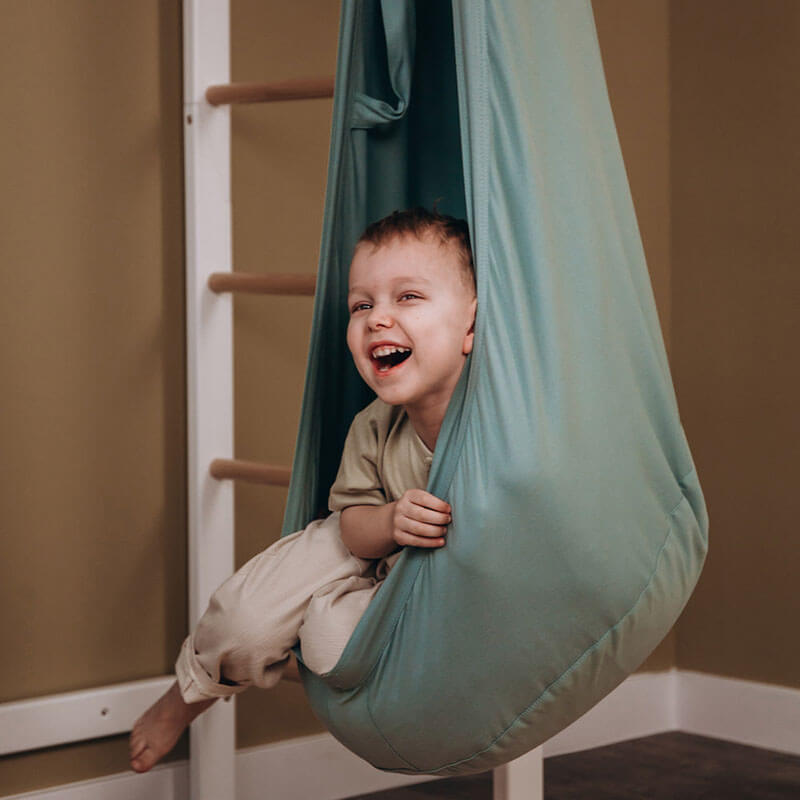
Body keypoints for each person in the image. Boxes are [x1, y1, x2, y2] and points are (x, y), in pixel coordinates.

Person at [129, 207, 477, 773]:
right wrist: (390, 522)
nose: (377, 319)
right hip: (372, 546)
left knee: (331, 641)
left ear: (470, 325)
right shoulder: (374, 426)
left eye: (407, 297)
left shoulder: (502, 419)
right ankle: (185, 697)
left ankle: (317, 616)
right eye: (362, 305)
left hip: (442, 587)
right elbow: (352, 524)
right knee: (243, 619)